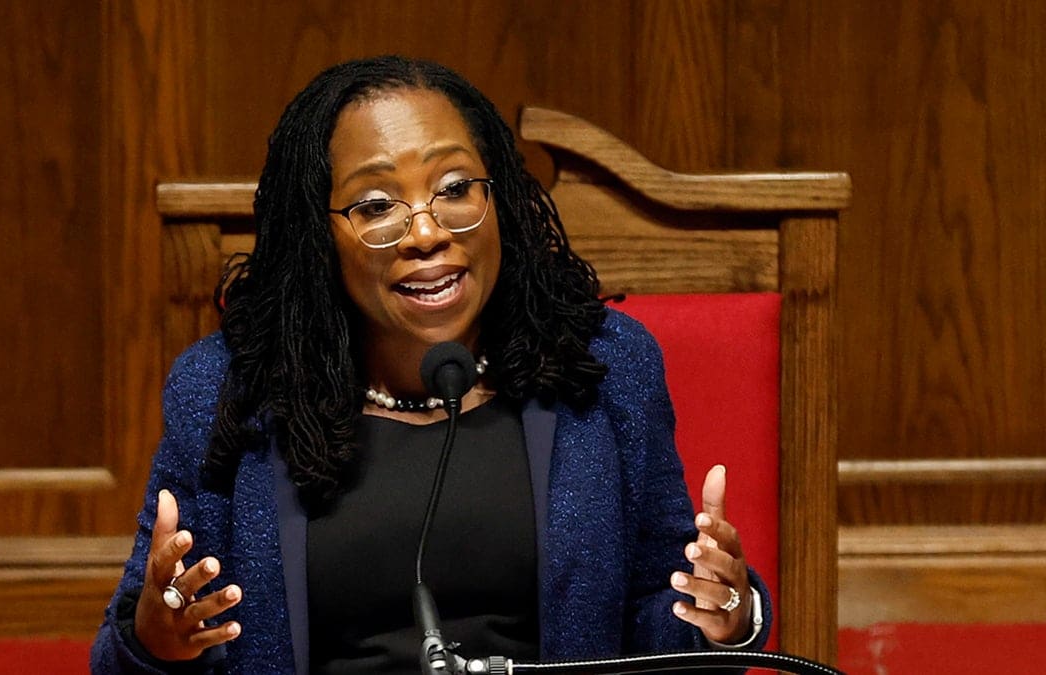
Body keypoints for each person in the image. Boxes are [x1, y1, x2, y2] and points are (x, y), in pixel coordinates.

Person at [91, 55, 771, 675]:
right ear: (316, 234)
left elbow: (663, 620)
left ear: (497, 194)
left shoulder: (603, 369)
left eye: (454, 187)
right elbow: (128, 650)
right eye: (377, 204)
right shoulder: (229, 389)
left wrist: (727, 616)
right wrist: (157, 641)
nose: (426, 231)